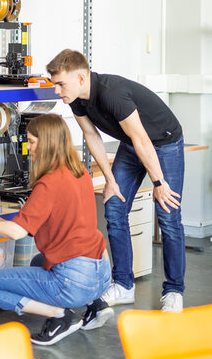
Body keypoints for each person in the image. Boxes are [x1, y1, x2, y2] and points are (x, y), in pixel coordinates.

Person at [47, 49, 185, 314]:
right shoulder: (76, 100)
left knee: (168, 214)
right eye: (55, 84)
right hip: (132, 144)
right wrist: (110, 180)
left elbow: (143, 139)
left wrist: (159, 183)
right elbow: (92, 136)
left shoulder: (112, 93)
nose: (56, 90)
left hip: (163, 142)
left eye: (60, 84)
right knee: (114, 207)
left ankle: (174, 290)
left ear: (81, 77)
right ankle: (123, 284)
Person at [0, 113, 113, 346]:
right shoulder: (80, 173)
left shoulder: (49, 182)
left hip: (74, 282)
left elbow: (17, 233)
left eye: (32, 142)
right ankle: (95, 305)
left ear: (47, 144)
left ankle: (59, 317)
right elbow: (56, 220)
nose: (29, 148)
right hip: (101, 275)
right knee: (39, 262)